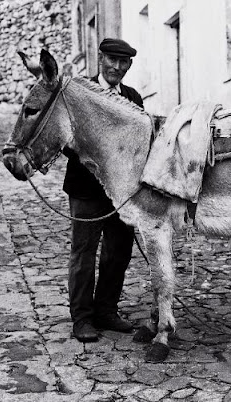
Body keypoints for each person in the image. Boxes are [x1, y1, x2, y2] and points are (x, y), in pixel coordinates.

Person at [63, 38, 144, 342]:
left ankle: (106, 311)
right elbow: (67, 139)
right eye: (112, 60)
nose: (117, 68)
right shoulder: (80, 92)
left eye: (123, 63)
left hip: (121, 192)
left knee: (118, 252)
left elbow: (139, 141)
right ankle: (82, 318)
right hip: (86, 188)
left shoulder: (133, 98)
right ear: (100, 58)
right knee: (83, 253)